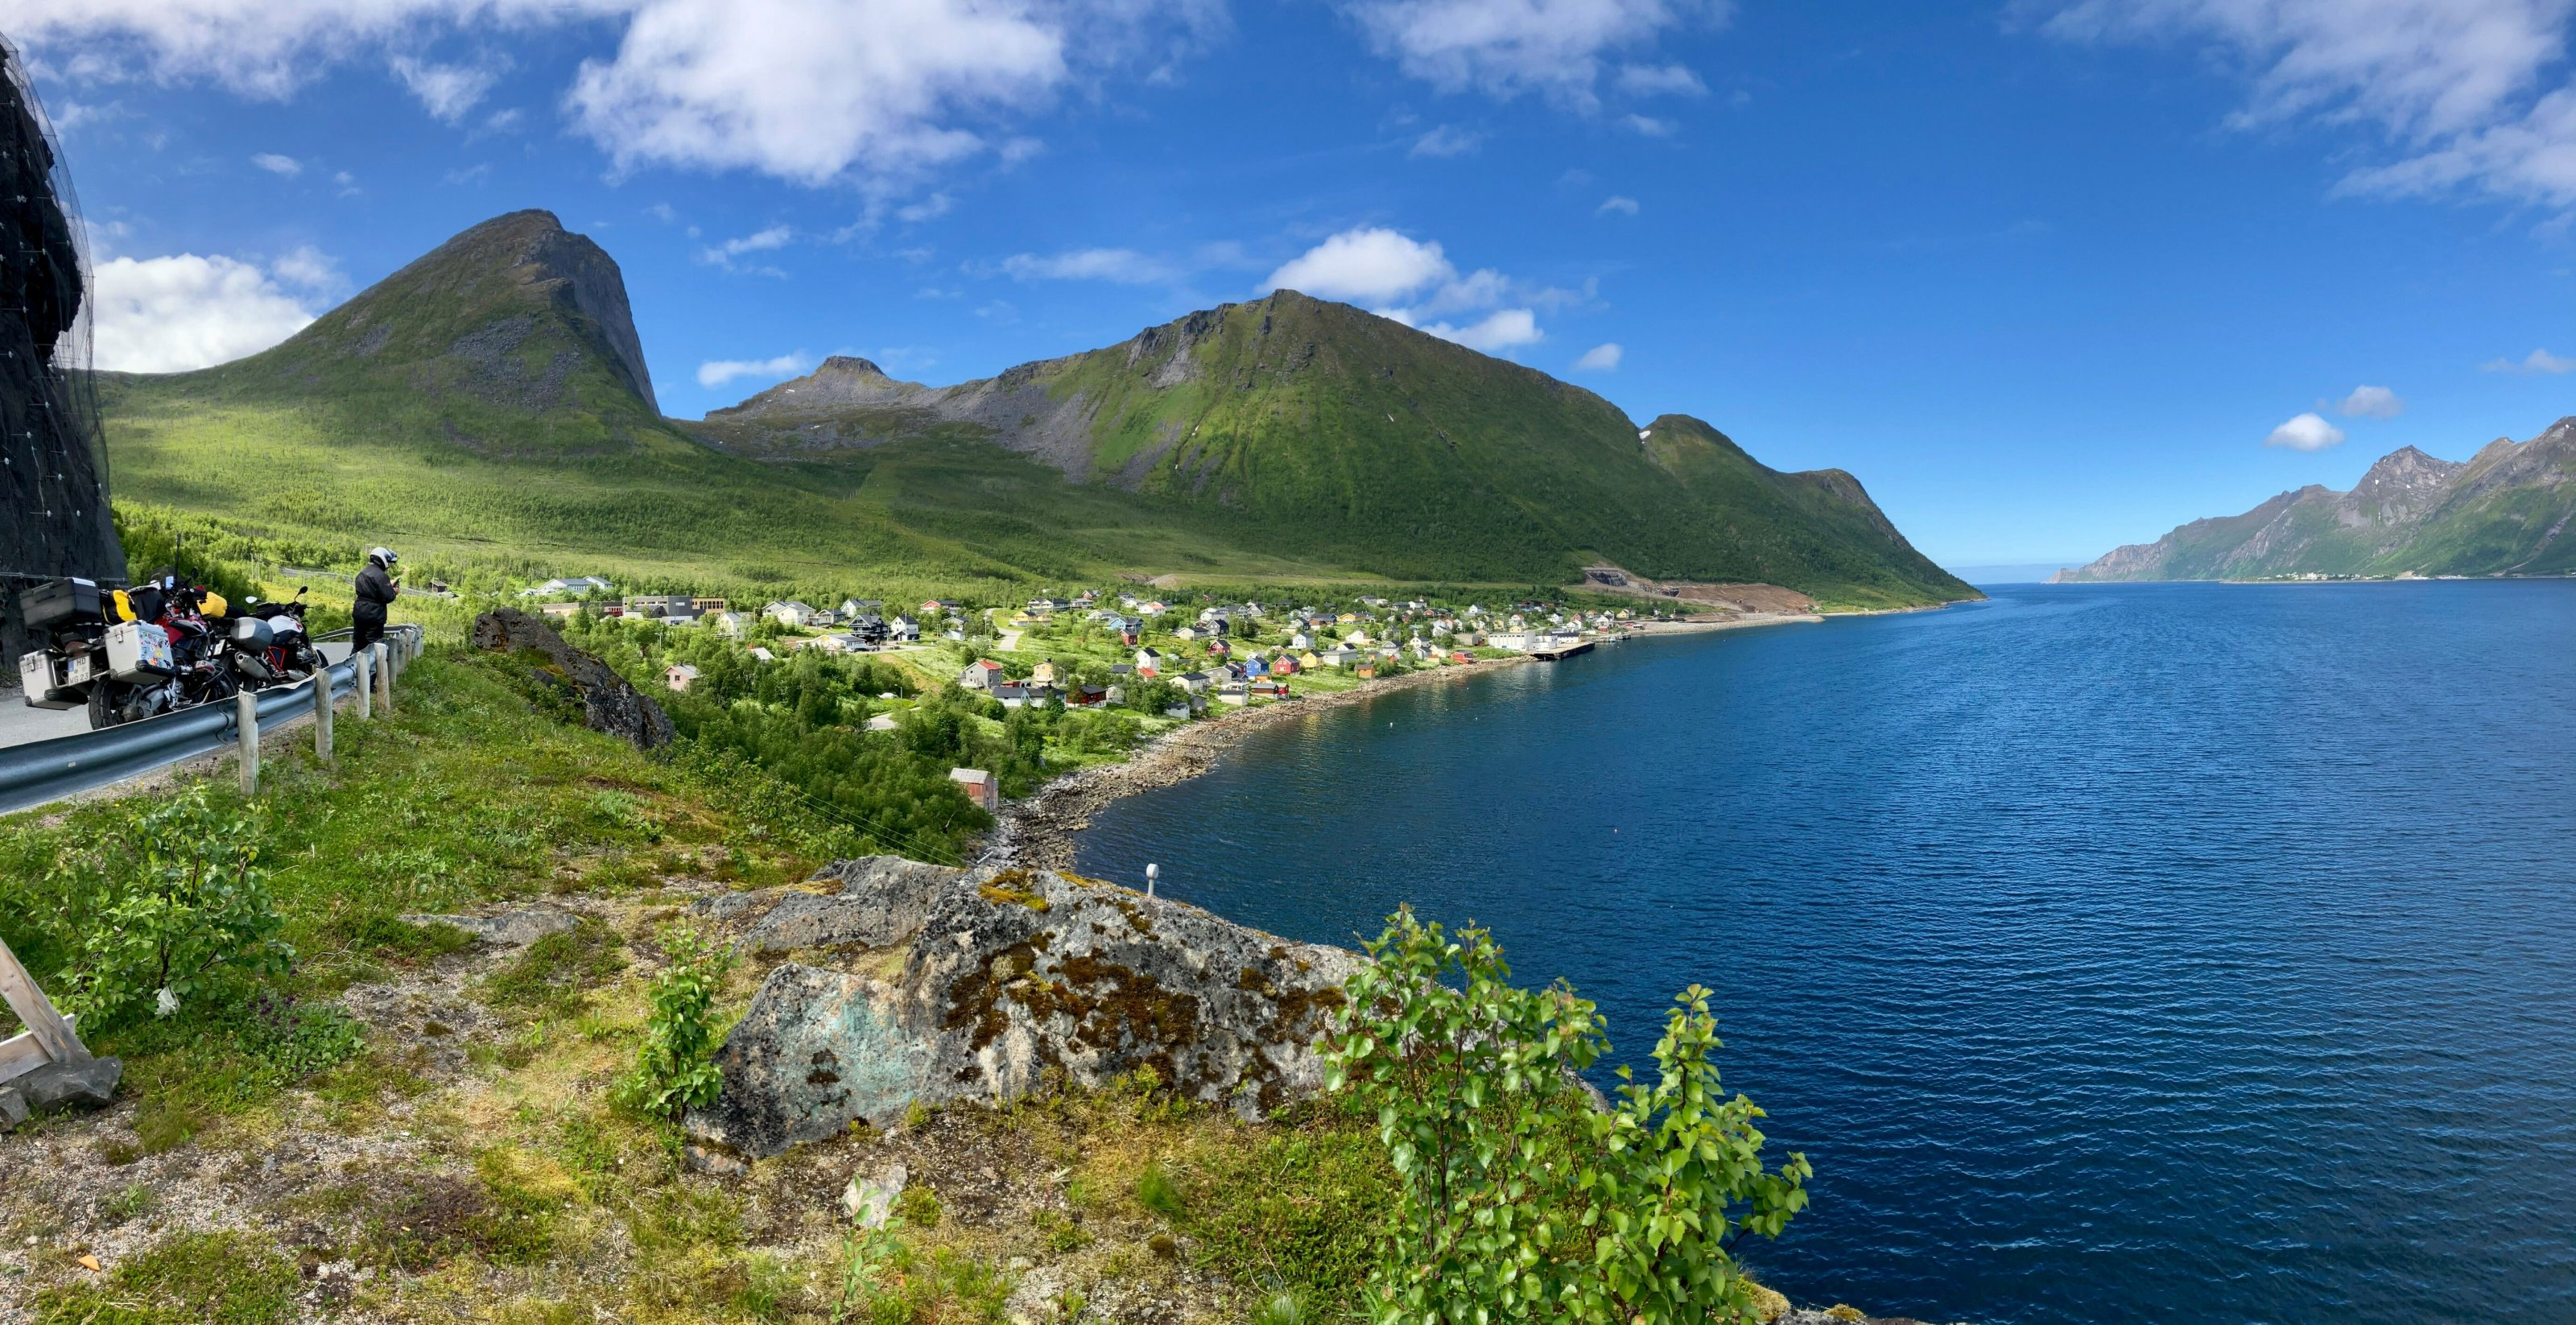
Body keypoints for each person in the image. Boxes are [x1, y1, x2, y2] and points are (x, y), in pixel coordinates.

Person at [353, 547, 399, 654]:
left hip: (359, 611)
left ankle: (351, 667)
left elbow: (370, 590)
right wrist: (394, 592)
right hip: (374, 614)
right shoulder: (382, 576)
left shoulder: (361, 573)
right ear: (382, 559)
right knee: (373, 646)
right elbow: (388, 597)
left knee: (358, 644)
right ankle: (374, 670)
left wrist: (388, 586)